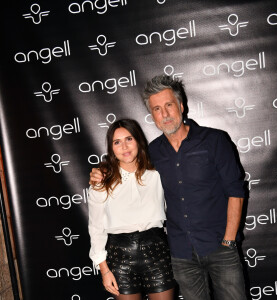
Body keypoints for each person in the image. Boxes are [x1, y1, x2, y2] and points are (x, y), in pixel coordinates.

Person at [90, 76, 247, 300]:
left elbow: (235, 192)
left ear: (181, 106)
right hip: (181, 254)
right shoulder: (152, 154)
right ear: (152, 116)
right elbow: (126, 164)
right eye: (156, 109)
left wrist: (228, 241)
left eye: (169, 105)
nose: (164, 114)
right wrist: (102, 171)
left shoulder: (215, 141)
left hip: (219, 246)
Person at [88, 118, 176, 300]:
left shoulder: (157, 172)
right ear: (111, 148)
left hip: (157, 252)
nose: (124, 147)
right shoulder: (102, 180)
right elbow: (96, 228)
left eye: (129, 139)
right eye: (117, 142)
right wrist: (104, 270)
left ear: (138, 141)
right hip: (120, 258)